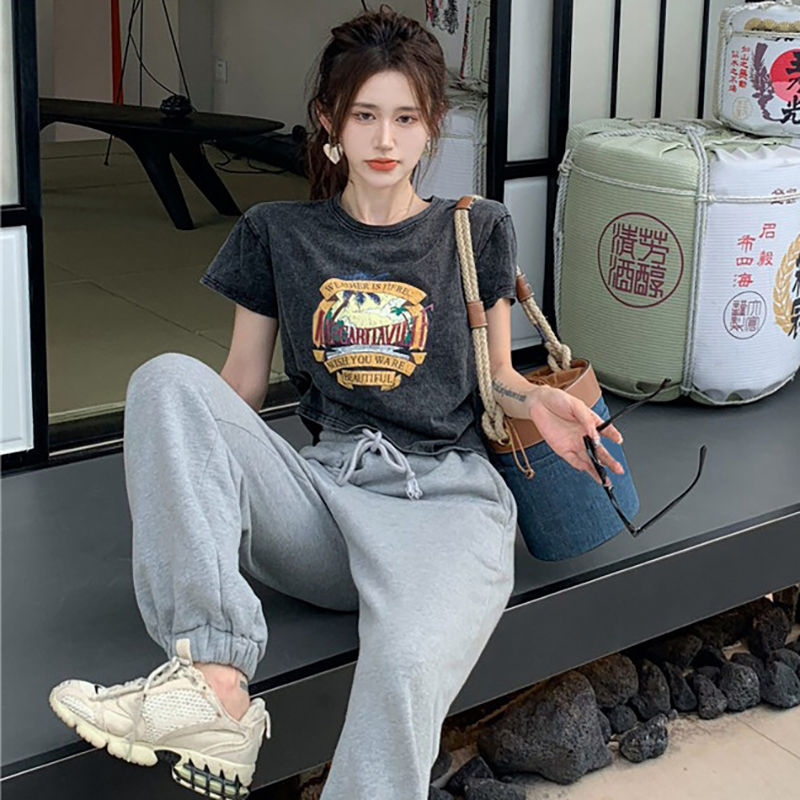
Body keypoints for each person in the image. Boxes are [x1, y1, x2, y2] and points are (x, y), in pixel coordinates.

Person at [48, 6, 624, 800]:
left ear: (432, 124)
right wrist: (188, 477)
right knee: (165, 380)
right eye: (364, 116)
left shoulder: (476, 228)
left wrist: (537, 401)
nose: (385, 140)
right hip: (324, 504)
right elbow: (239, 388)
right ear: (329, 120)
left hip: (445, 504)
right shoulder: (276, 232)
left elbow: (498, 375)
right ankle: (214, 688)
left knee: (407, 665)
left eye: (405, 118)